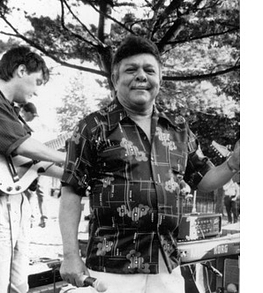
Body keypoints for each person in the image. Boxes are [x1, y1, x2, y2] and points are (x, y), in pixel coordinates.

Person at [58, 35, 240, 293]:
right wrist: (70, 255)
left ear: (160, 79)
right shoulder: (92, 127)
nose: (141, 76)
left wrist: (232, 163)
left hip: (166, 265)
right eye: (131, 70)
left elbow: (204, 179)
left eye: (149, 70)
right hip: (112, 268)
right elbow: (70, 191)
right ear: (114, 79)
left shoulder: (178, 129)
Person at [0, 46, 66, 293]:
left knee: (18, 285)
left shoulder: (12, 112)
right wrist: (70, 159)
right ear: (21, 70)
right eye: (37, 81)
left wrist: (78, 174)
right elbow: (25, 148)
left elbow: (27, 163)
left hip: (15, 202)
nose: (37, 91)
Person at [20, 102, 51, 228]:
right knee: (40, 191)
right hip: (43, 161)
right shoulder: (44, 125)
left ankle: (33, 217)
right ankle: (41, 218)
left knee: (30, 191)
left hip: (34, 162)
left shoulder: (27, 125)